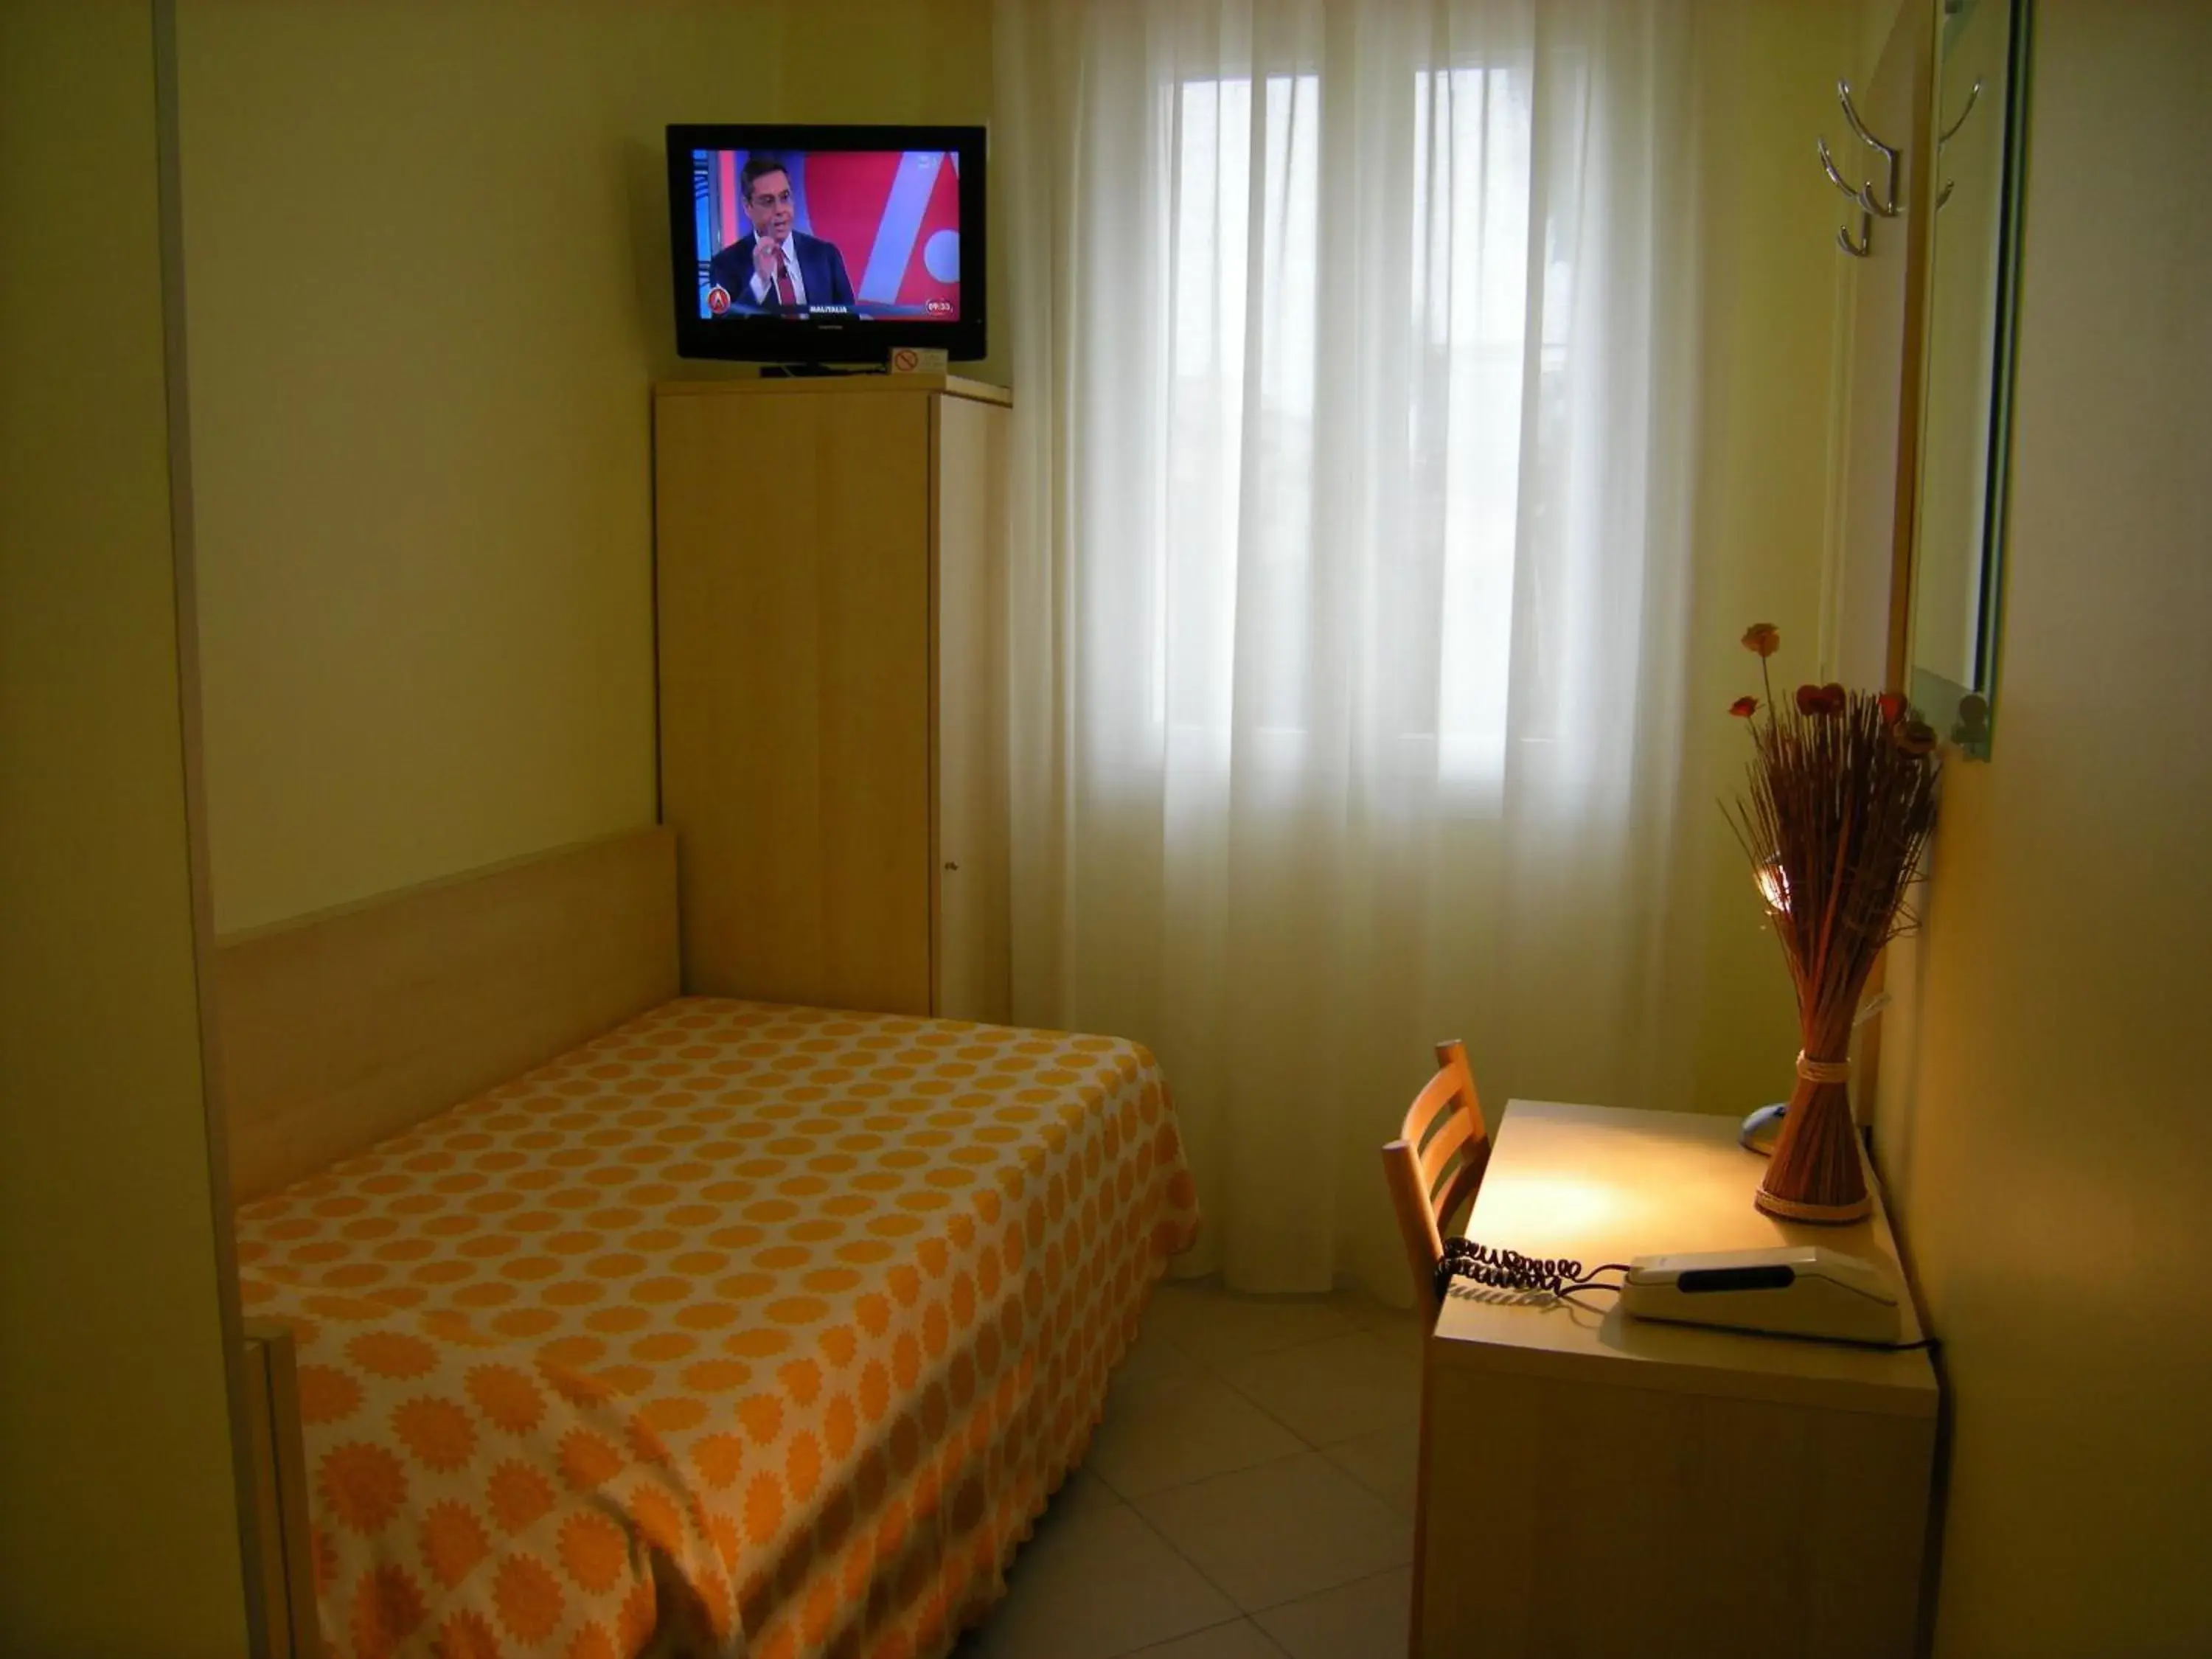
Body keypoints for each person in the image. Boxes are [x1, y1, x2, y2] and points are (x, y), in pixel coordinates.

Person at [707, 154, 855, 314]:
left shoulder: (826, 256)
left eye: (785, 197)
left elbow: (851, 319)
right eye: (768, 201)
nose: (780, 210)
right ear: (747, 207)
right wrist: (760, 281)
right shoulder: (725, 265)